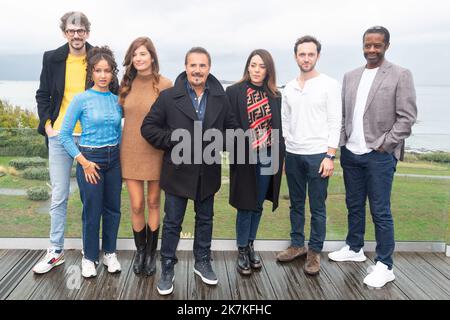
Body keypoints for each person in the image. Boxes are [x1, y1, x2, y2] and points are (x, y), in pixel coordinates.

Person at [141, 47, 237, 295]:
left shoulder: (221, 98)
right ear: (186, 67)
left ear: (209, 68)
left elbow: (232, 129)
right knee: (172, 222)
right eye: (193, 65)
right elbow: (148, 127)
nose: (197, 70)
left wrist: (218, 141)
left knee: (205, 220)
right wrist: (173, 139)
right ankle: (168, 267)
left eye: (202, 66)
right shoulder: (168, 97)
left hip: (208, 171)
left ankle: (202, 262)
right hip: (177, 172)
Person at [328, 26, 417, 288]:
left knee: (380, 211)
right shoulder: (350, 76)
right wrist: (343, 141)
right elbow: (343, 115)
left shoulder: (401, 74)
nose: (372, 50)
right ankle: (355, 248)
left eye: (377, 45)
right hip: (351, 154)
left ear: (386, 46)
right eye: (368, 45)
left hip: (379, 155)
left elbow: (407, 118)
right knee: (353, 205)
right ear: (363, 45)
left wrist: (384, 144)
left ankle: (385, 265)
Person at [33, 12, 93, 274]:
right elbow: (43, 94)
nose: (76, 35)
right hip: (59, 136)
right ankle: (55, 251)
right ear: (65, 32)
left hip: (90, 137)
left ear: (87, 33)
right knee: (59, 195)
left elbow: (108, 91)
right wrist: (47, 124)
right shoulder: (52, 58)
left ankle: (88, 249)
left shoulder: (97, 57)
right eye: (72, 30)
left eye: (81, 30)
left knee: (89, 196)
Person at [277, 36, 342, 276]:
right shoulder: (290, 87)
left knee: (317, 207)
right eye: (302, 54)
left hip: (318, 156)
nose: (306, 58)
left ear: (318, 56)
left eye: (310, 54)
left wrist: (330, 155)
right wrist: (284, 154)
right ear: (296, 56)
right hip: (293, 154)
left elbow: (336, 121)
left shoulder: (329, 84)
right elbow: (285, 122)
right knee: (295, 204)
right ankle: (297, 245)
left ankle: (314, 251)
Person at [59, 46, 123, 278]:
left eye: (107, 71)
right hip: (90, 160)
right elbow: (64, 135)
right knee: (92, 211)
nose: (103, 75)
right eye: (98, 70)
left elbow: (119, 132)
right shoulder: (81, 99)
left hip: (114, 160)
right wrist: (84, 162)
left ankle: (109, 253)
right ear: (91, 73)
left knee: (113, 210)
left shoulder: (117, 100)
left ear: (113, 73)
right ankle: (89, 258)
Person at [225, 49, 284, 276]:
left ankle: (250, 245)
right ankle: (241, 250)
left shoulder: (275, 95)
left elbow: (278, 128)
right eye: (253, 65)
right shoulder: (234, 92)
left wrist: (281, 157)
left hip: (268, 155)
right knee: (245, 204)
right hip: (244, 156)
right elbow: (227, 125)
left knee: (258, 204)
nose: (257, 69)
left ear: (268, 70)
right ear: (247, 67)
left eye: (262, 66)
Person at [119, 37, 172, 276]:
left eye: (143, 54)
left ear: (152, 56)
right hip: (130, 151)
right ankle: (140, 251)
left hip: (157, 152)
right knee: (137, 204)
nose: (139, 58)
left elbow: (174, 120)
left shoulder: (165, 84)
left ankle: (151, 253)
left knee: (153, 203)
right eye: (135, 55)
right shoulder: (124, 86)